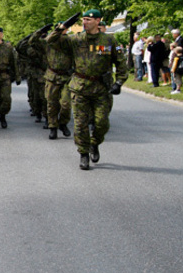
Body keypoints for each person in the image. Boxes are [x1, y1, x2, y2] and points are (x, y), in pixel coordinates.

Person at [47, 9, 128, 170]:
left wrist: (119, 82)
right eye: (83, 19)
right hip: (80, 87)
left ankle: (94, 143)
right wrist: (62, 27)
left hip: (101, 88)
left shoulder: (109, 40)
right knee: (80, 124)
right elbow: (50, 41)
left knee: (101, 123)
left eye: (88, 20)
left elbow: (120, 62)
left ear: (98, 21)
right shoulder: (75, 39)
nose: (85, 22)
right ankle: (83, 153)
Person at [30, 25, 73, 139]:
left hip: (66, 77)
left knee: (66, 104)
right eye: (59, 30)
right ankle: (53, 127)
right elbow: (32, 41)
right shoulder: (47, 43)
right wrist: (41, 30)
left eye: (64, 29)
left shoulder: (70, 42)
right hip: (52, 76)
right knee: (51, 104)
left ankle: (63, 124)